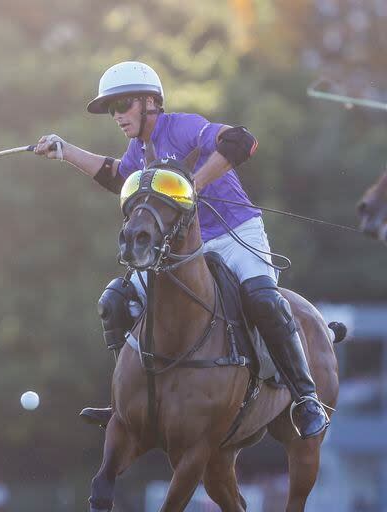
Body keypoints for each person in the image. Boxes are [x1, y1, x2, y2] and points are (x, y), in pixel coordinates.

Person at [33, 61, 329, 439]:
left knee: (263, 299)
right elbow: (117, 177)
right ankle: (124, 399)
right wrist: (65, 151)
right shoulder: (138, 150)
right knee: (115, 301)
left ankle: (306, 398)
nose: (116, 116)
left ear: (148, 102)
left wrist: (195, 185)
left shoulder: (184, 126)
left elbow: (242, 141)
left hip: (234, 232)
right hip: (184, 249)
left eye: (122, 105)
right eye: (111, 109)